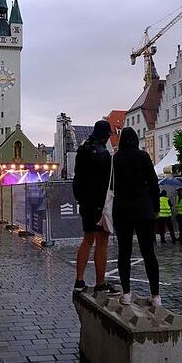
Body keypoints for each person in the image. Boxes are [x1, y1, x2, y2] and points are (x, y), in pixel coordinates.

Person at [112, 127, 162, 306]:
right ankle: (155, 296)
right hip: (144, 208)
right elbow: (154, 183)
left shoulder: (115, 158)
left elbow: (111, 184)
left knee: (124, 252)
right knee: (149, 252)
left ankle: (126, 293)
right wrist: (155, 207)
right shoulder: (143, 156)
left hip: (122, 209)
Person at [71, 120, 119, 295]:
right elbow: (108, 183)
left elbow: (77, 177)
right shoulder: (103, 154)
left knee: (87, 240)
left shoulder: (82, 150)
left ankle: (79, 281)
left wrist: (81, 198)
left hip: (85, 202)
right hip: (99, 203)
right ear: (105, 135)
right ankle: (100, 283)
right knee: (102, 243)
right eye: (108, 135)